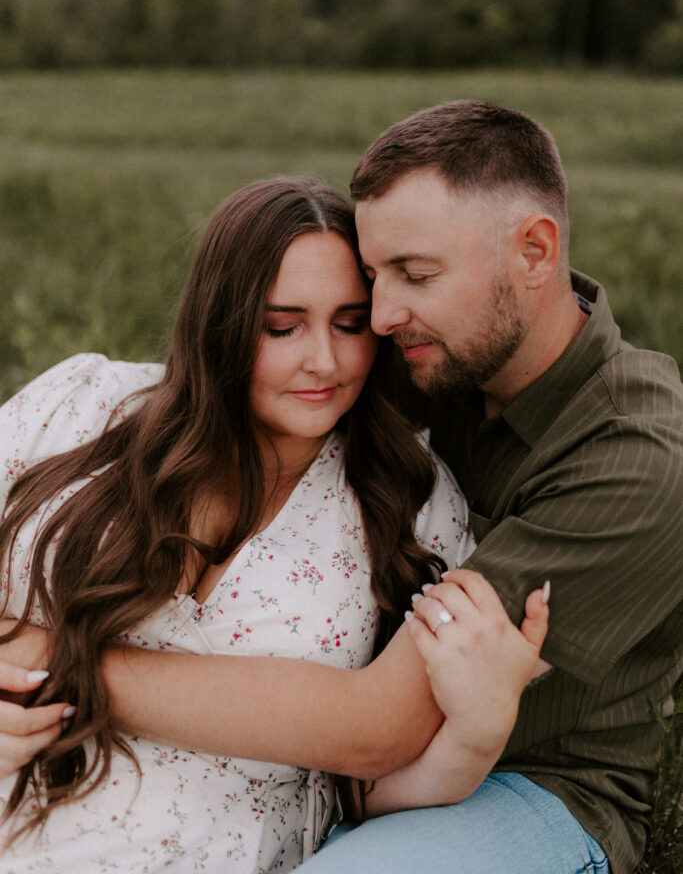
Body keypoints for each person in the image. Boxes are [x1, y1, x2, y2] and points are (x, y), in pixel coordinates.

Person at [0, 176, 549, 873]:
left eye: (350, 324)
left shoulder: (406, 498)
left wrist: (474, 734)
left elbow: (368, 784)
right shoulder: (85, 404)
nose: (322, 360)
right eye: (281, 326)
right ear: (220, 323)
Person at [297, 99, 683, 874]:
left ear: (533, 252)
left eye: (413, 273)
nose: (379, 314)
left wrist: (92, 674)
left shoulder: (642, 455)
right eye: (374, 276)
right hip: (337, 752)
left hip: (532, 791)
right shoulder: (437, 357)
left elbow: (390, 720)